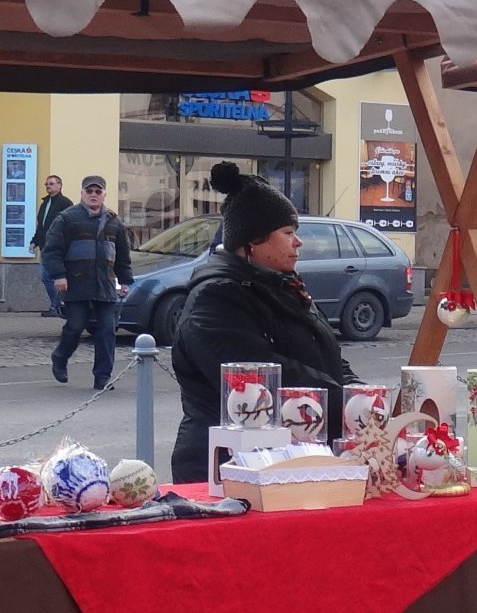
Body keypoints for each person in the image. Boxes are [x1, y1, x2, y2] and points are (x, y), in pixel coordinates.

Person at [170, 162, 359, 484]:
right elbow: (263, 378)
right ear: (252, 242)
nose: (298, 242)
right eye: (288, 233)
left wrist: (360, 393)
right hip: (227, 469)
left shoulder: (285, 285)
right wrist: (350, 404)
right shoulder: (216, 298)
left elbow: (328, 357)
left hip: (290, 458)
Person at [39, 174, 131, 391]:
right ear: (82, 194)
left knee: (107, 330)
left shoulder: (114, 222)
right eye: (89, 191)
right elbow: (52, 250)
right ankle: (60, 358)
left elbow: (123, 255)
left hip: (105, 285)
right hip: (76, 283)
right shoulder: (67, 218)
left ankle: (102, 378)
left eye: (97, 191)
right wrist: (59, 275)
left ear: (104, 195)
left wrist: (125, 280)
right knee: (75, 326)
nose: (93, 195)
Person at [29, 174, 74, 317]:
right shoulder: (45, 203)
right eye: (47, 184)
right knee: (46, 277)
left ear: (59, 186)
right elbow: (41, 226)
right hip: (45, 246)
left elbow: (69, 226)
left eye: (51, 184)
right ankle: (56, 304)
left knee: (53, 276)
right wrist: (34, 241)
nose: (48, 186)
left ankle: (58, 305)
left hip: (59, 247)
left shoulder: (66, 203)